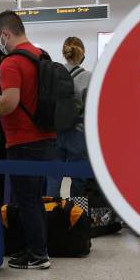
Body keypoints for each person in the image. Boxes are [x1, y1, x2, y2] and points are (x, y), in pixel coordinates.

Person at [0, 11, 56, 270]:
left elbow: (11, 102)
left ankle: (38, 255)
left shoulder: (11, 63)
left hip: (22, 139)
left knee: (26, 198)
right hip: (44, 136)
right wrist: (1, 100)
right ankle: (38, 248)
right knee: (35, 197)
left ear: (5, 34)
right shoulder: (41, 55)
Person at [45, 36, 92, 198]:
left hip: (55, 131)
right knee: (78, 178)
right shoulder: (88, 77)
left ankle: (51, 215)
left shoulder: (53, 74)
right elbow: (90, 109)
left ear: (64, 53)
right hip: (77, 132)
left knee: (53, 177)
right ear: (82, 54)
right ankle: (75, 216)